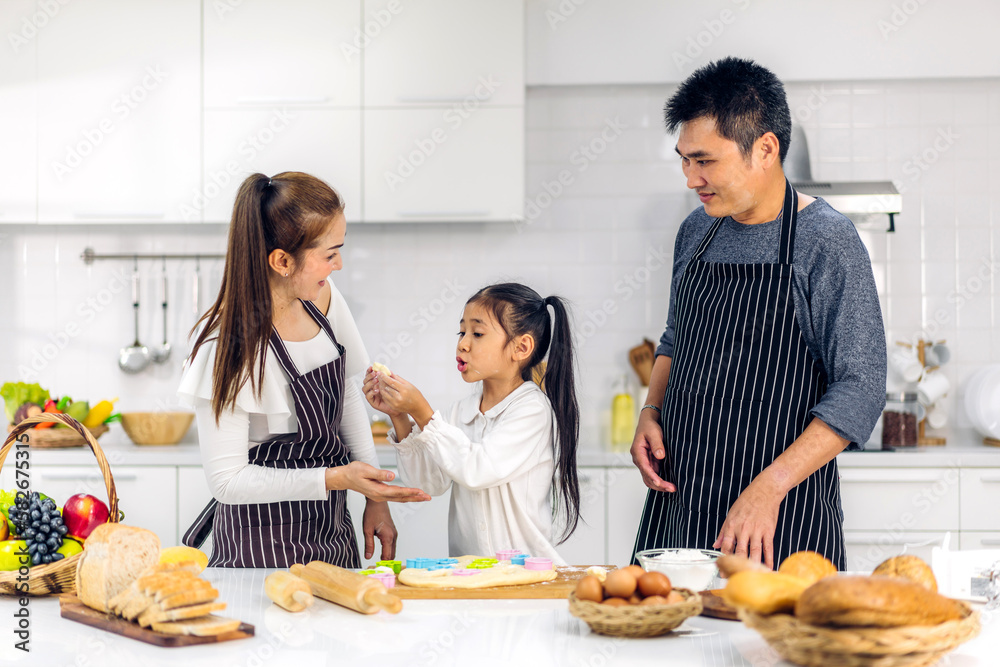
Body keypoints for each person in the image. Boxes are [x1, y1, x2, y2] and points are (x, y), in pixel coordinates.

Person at [630, 58, 886, 570]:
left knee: (773, 645)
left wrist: (767, 489)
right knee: (662, 641)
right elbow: (676, 337)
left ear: (764, 149)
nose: (691, 179)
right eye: (684, 160)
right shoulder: (696, 233)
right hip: (682, 500)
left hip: (781, 514)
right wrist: (650, 410)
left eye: (704, 161)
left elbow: (861, 388)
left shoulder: (825, 240)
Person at [178, 171, 429, 568]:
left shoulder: (323, 298)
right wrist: (334, 479)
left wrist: (375, 498)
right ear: (281, 261)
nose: (339, 264)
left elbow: (345, 393)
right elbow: (227, 482)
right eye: (329, 254)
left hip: (333, 532)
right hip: (259, 545)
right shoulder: (228, 348)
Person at [362, 283, 580, 564]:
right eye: (462, 331)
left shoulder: (532, 410)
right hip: (472, 572)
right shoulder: (459, 412)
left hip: (526, 575)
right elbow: (428, 483)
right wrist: (400, 415)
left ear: (521, 347)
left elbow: (478, 469)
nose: (463, 343)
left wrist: (423, 412)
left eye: (477, 333)